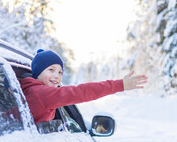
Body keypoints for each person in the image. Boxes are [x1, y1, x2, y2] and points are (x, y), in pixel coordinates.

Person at [20, 49, 148, 124]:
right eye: (51, 70)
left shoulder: (32, 90)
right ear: (37, 73)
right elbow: (80, 92)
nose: (56, 76)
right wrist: (119, 85)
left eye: (60, 72)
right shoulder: (42, 93)